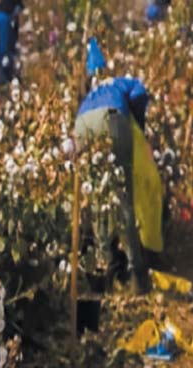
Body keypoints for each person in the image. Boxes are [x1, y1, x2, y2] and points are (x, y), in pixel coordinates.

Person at [74, 73, 152, 292]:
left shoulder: (95, 91)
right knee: (122, 196)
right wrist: (139, 127)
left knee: (98, 197)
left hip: (81, 125)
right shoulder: (128, 83)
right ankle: (136, 273)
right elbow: (139, 95)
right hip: (111, 119)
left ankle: (104, 268)